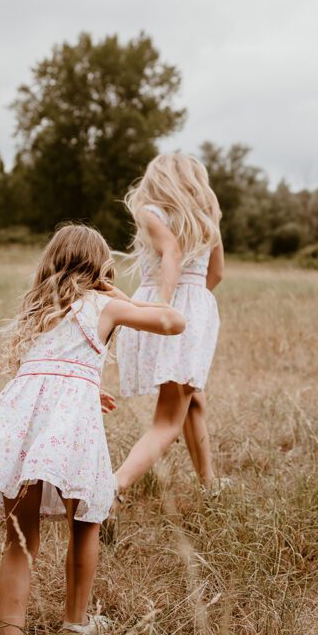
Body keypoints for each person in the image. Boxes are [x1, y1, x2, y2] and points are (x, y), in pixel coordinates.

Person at [0, 224, 185, 635]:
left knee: (20, 537)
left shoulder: (40, 309)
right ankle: (75, 622)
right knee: (86, 520)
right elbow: (173, 321)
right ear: (101, 269)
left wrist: (89, 388)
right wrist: (120, 295)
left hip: (20, 425)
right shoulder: (103, 305)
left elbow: (47, 373)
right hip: (71, 429)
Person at [116, 153, 226, 494]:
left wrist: (163, 305)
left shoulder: (151, 212)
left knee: (192, 400)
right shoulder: (206, 219)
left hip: (168, 311)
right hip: (186, 315)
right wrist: (185, 307)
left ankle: (209, 485)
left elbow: (170, 253)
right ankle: (112, 489)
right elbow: (213, 271)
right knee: (167, 420)